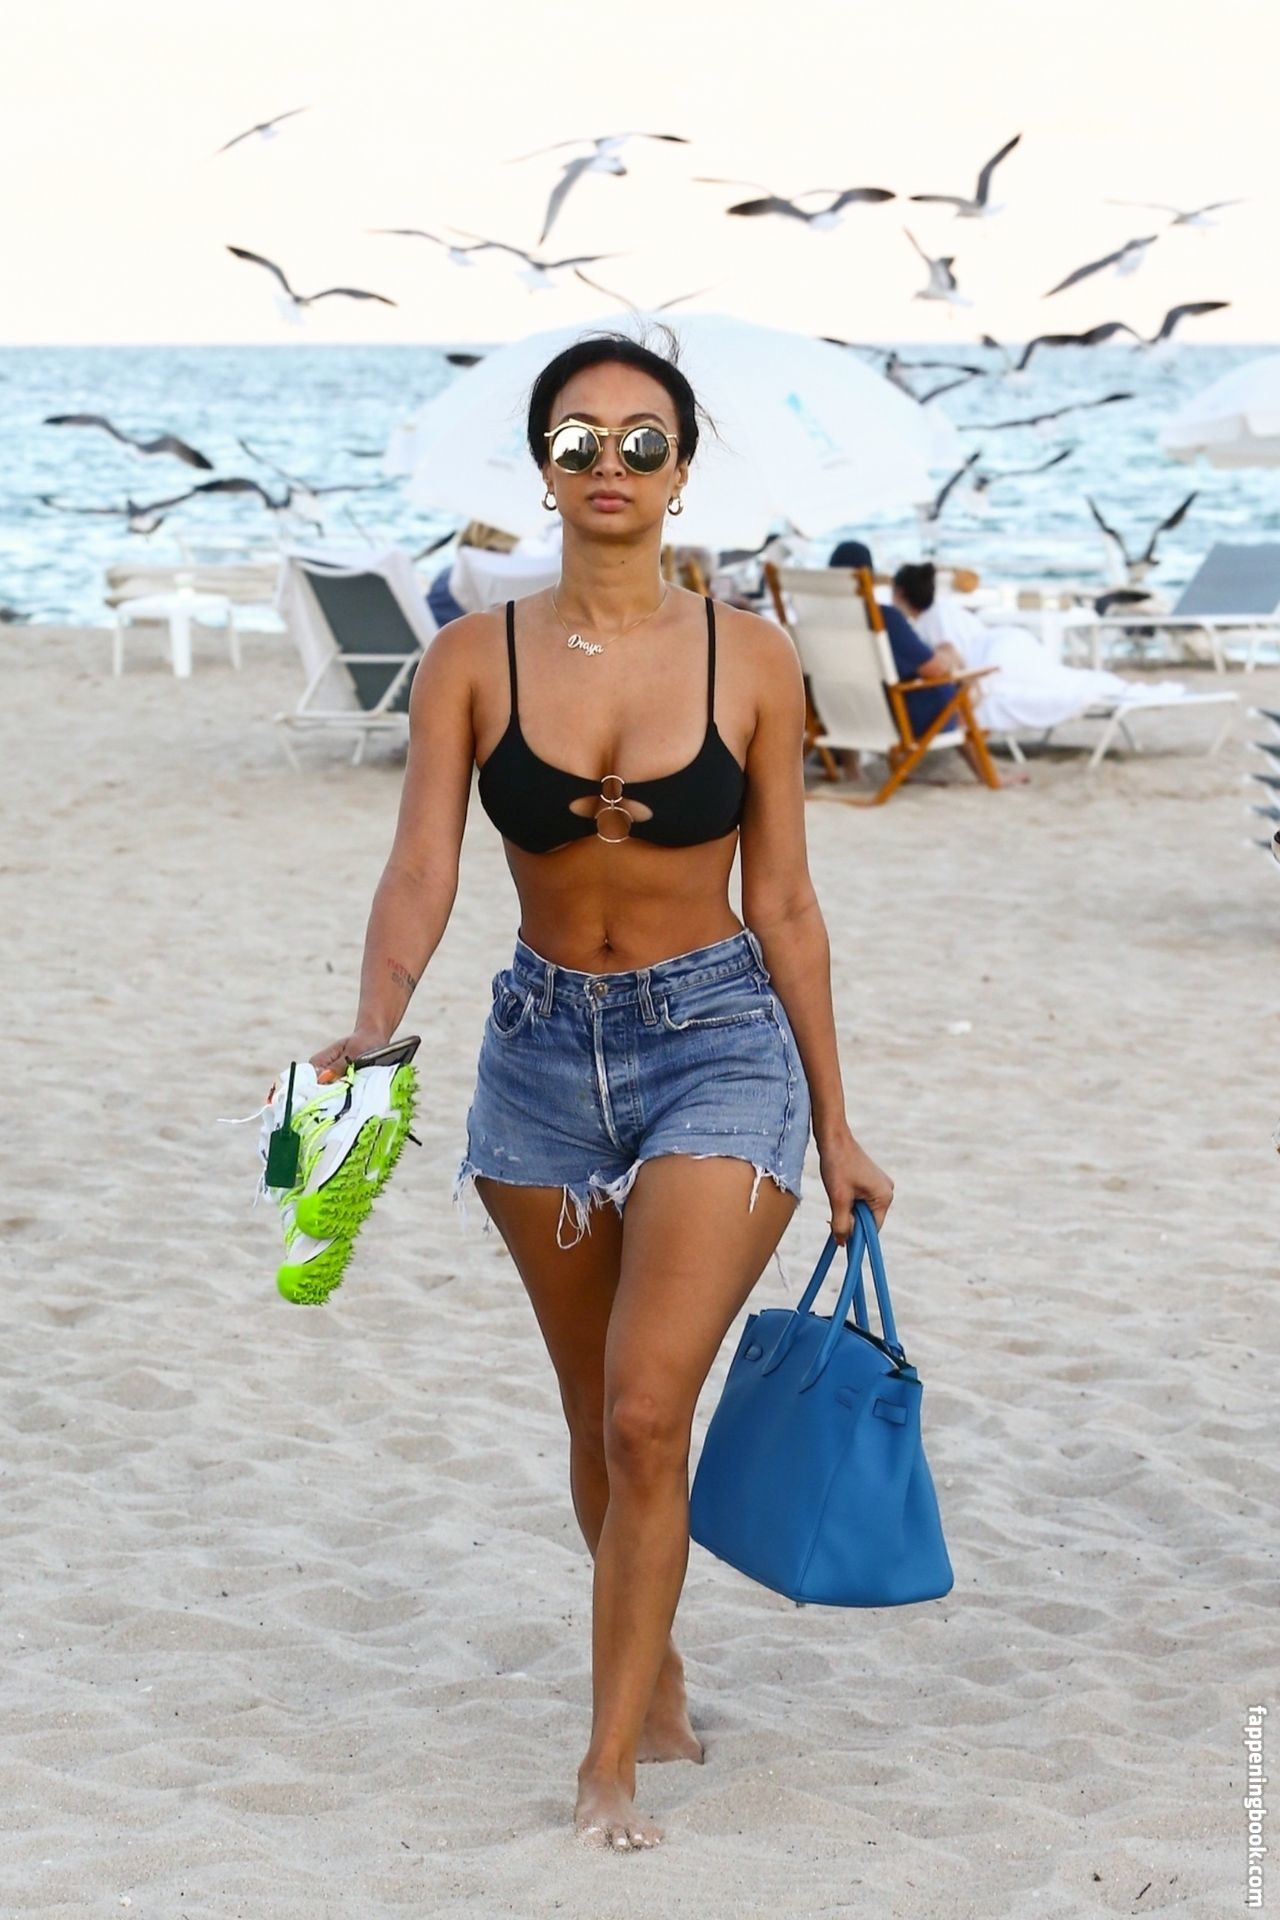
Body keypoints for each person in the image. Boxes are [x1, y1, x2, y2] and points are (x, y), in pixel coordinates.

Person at [309, 332, 894, 1854]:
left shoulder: (751, 659)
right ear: (544, 470)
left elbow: (787, 903)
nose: (612, 465)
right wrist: (373, 1025)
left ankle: (607, 1764)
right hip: (537, 1053)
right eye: (580, 441)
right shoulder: (470, 659)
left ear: (683, 470)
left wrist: (837, 1124)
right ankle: (662, 1669)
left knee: (647, 1412)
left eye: (643, 441)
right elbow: (423, 865)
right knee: (596, 1417)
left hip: (719, 1041)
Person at [827, 541, 1023, 787]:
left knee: (847, 685)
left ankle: (852, 770)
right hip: (897, 718)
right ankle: (990, 777)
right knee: (962, 692)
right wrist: (948, 654)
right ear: (870, 577)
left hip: (838, 714)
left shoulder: (815, 619)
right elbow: (935, 669)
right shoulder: (884, 618)